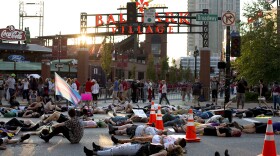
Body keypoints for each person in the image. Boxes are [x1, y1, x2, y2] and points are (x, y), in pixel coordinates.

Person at [83, 141, 185, 156]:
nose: (172, 144)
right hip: (140, 146)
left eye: (174, 146)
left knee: (114, 151)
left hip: (138, 150)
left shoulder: (164, 152)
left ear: (173, 150)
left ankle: (93, 152)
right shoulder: (164, 148)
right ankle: (99, 148)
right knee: (117, 147)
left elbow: (153, 155)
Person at [111, 134, 187, 149]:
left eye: (179, 139)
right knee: (136, 139)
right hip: (154, 136)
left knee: (135, 140)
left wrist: (162, 138)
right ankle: (119, 141)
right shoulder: (173, 140)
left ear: (178, 143)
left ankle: (119, 141)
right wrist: (162, 135)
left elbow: (160, 144)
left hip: (153, 140)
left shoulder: (171, 145)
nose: (178, 138)